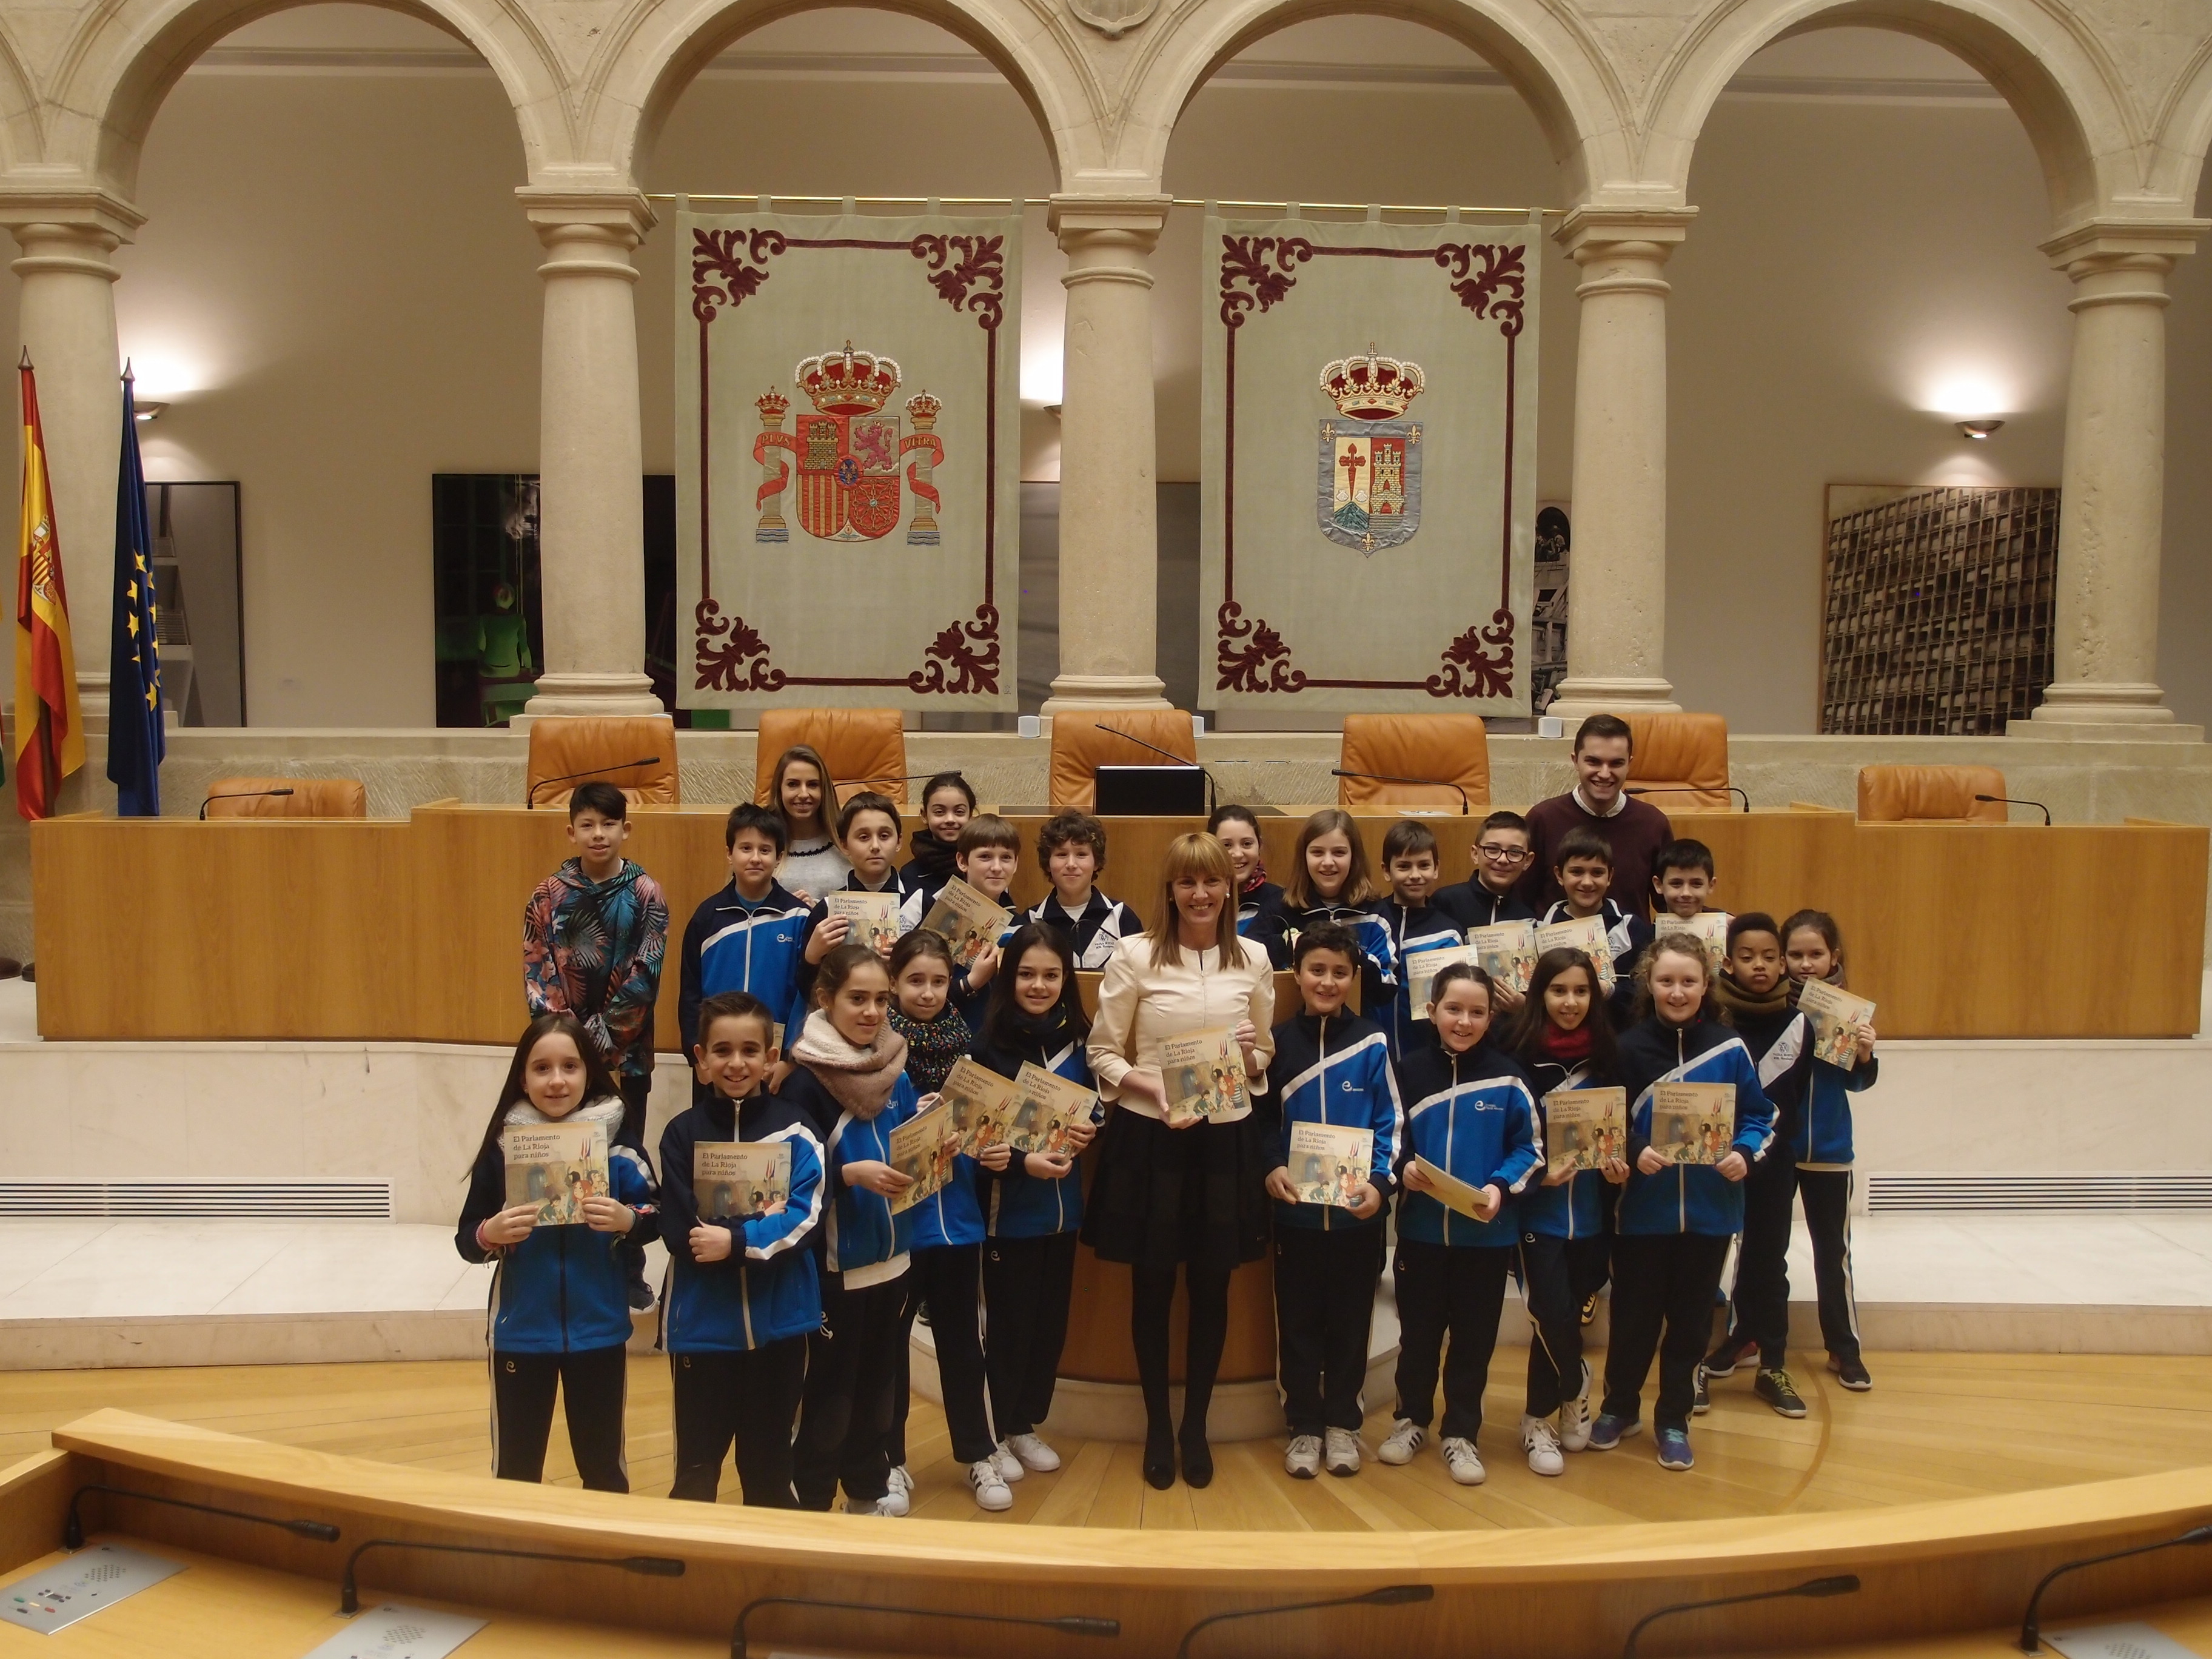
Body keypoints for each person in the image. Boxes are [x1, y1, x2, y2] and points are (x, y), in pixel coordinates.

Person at [1084, 832, 1275, 1490]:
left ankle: (1196, 1427)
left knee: (1213, 1286)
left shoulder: (1254, 956)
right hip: (1151, 1136)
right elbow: (1103, 1053)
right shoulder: (1134, 954)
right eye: (1187, 882)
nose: (1200, 894)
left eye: (1212, 881)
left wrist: (1249, 1055)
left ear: (1229, 887)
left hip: (1225, 1140)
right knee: (1153, 1285)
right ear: (1169, 889)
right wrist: (1157, 1089)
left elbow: (1263, 1057)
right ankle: (1158, 1429)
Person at [1590, 934, 1777, 1472]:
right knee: (1634, 1321)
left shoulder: (1729, 1047)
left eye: (1688, 981)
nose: (1677, 991)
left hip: (1711, 1214)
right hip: (1641, 1214)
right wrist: (1634, 1150)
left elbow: (1760, 1116)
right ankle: (1619, 1408)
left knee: (1692, 1325)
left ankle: (1674, 1419)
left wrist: (1744, 1153)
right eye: (1667, 981)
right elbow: (1606, 1120)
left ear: (1706, 985)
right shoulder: (1626, 1049)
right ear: (1648, 984)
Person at [457, 1014, 657, 1492]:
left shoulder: (618, 1147)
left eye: (570, 1066)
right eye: (542, 1068)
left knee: (604, 1471)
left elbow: (659, 1215)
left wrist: (628, 1219)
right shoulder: (504, 1147)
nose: (557, 1080)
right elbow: (467, 1238)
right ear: (522, 1078)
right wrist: (491, 1232)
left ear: (589, 1073)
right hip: (521, 1333)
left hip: (599, 1330)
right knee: (516, 1473)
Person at [660, 992, 823, 1506]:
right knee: (695, 1473)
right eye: (722, 1050)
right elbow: (681, 1230)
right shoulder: (681, 1135)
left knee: (770, 1471)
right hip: (702, 1330)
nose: (737, 1063)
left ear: (771, 1058)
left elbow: (805, 1220)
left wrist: (734, 1240)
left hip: (780, 1327)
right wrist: (762, 1223)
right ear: (701, 1059)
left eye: (750, 1050)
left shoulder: (799, 1131)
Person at [1381, 962, 1540, 1485]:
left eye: (1477, 1012)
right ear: (1432, 1011)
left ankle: (1462, 1433)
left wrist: (1500, 1186)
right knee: (1419, 1337)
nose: (1464, 1022)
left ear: (1492, 1016)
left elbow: (1531, 1148)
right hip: (1421, 1234)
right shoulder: (1407, 1071)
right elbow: (1390, 1137)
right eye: (1453, 1009)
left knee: (1473, 1342)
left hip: (1486, 1239)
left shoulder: (1510, 1076)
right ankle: (1411, 1421)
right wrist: (1404, 1166)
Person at [780, 942, 922, 1515]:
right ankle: (813, 1501)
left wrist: (933, 1139)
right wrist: (847, 1174)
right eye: (857, 999)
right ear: (825, 999)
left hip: (895, 1260)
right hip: (837, 1270)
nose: (872, 1012)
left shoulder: (896, 1067)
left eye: (882, 1000)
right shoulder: (803, 1084)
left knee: (878, 1392)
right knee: (831, 1396)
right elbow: (788, 1184)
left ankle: (866, 1494)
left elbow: (907, 1145)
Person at [1263, 923, 1404, 1480]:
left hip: (1357, 1219)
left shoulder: (1373, 1041)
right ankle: (1303, 1425)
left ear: (1354, 978)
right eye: (1317, 970)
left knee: (1351, 1323)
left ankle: (1343, 1421)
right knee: (1297, 1323)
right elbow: (1261, 1122)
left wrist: (1380, 1184)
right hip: (1295, 1216)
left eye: (1340, 973)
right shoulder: (1277, 1043)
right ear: (1297, 975)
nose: (1327, 982)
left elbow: (1392, 1122)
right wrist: (1272, 1165)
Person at [521, 779, 666, 1309]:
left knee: (625, 1165)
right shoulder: (547, 894)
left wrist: (598, 1046)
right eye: (588, 825)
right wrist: (570, 1049)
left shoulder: (646, 893)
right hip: (563, 1063)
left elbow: (646, 974)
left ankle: (629, 1271)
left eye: (609, 824)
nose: (598, 834)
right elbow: (537, 970)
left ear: (626, 828)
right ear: (572, 831)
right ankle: (566, 1267)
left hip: (626, 1060)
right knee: (566, 1164)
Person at [879, 927, 1008, 1513]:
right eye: (915, 981)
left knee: (961, 1342)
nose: (928, 993)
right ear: (893, 984)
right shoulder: (878, 1053)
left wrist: (989, 1146)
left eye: (937, 981)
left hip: (957, 1219)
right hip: (899, 1225)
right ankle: (890, 1462)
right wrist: (914, 1117)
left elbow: (991, 1134)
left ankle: (979, 1453)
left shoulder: (970, 1051)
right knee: (890, 1346)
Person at [971, 922, 1099, 1478]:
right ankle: (994, 1432)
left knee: (1048, 1329)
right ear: (1009, 978)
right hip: (1009, 1216)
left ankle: (1023, 1424)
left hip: (1063, 1214)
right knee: (1010, 1329)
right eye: (1027, 974)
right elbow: (972, 1139)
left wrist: (1092, 1125)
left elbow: (1094, 1107)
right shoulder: (987, 1047)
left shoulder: (1081, 1039)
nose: (1039, 986)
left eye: (1051, 975)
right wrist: (1023, 1161)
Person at [1508, 947, 1629, 1468]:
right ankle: (1571, 1385)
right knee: (1548, 1311)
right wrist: (1539, 1177)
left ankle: (1542, 1413)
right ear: (1540, 994)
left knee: (1565, 1318)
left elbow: (1627, 1130)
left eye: (1581, 991)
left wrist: (1620, 1167)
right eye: (1559, 990)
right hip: (1538, 1214)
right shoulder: (1516, 1057)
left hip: (1595, 1217)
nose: (1570, 1002)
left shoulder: (1611, 1058)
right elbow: (1506, 1138)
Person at [1701, 913, 1813, 1417]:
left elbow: (1800, 1094)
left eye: (1770, 957)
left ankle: (1772, 1364)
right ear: (1728, 963)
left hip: (1775, 1162)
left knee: (1769, 1262)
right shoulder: (1712, 1021)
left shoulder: (1801, 1021)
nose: (1760, 966)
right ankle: (1690, 1367)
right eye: (1747, 957)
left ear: (1784, 962)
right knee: (1704, 1263)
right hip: (1714, 1163)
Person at [1783, 908, 1877, 1392]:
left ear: (1833, 957)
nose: (1806, 964)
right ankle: (1748, 1335)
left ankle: (1845, 1348)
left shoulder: (1849, 1012)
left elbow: (1857, 1084)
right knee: (1759, 1249)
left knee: (1832, 1253)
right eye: (1796, 955)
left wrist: (1864, 1055)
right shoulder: (1769, 1008)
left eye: (1815, 954)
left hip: (1830, 1150)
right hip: (1776, 1150)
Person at [678, 803, 810, 1063]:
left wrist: (789, 1057)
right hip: (715, 1055)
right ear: (730, 853)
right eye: (746, 848)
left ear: (780, 857)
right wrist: (696, 1055)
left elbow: (804, 996)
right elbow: (690, 992)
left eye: (765, 850)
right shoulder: (707, 916)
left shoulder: (798, 917)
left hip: (775, 1055)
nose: (755, 858)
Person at [1523, 714, 1674, 919]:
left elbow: (1672, 901)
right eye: (1594, 762)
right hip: (1557, 938)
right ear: (1575, 761)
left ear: (1629, 764)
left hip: (1632, 939)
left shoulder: (1653, 824)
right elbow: (1521, 901)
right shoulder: (1542, 819)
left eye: (1616, 764)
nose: (1604, 773)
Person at [1278, 808, 1397, 1016]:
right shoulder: (1281, 908)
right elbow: (1252, 960)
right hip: (1293, 1025)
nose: (1328, 862)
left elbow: (1387, 989)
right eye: (1317, 852)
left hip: (1357, 1028)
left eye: (1339, 853)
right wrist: (1292, 944)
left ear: (1354, 857)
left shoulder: (1375, 914)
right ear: (1303, 857)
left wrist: (1354, 956)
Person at [902, 813, 1022, 1014]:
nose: (997, 867)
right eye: (985, 857)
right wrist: (971, 983)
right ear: (962, 861)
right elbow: (913, 991)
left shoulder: (1021, 927)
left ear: (1016, 864)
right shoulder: (931, 911)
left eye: (1006, 858)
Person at [796, 791, 908, 1005]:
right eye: (863, 837)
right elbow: (806, 992)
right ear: (844, 845)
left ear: (899, 841)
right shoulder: (827, 910)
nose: (875, 846)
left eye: (884, 836)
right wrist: (812, 957)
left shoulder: (920, 901)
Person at [1370, 819, 1468, 1059]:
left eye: (1424, 865)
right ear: (1386, 871)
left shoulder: (1449, 933)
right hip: (1374, 1051)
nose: (1415, 875)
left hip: (1426, 1056)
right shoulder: (1371, 921)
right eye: (1404, 866)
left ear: (1436, 869)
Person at [1540, 827, 1652, 1024]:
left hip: (1618, 1032)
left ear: (1610, 876)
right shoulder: (1541, 929)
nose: (1587, 882)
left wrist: (1610, 991)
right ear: (1559, 875)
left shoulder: (1631, 927)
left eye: (1597, 873)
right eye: (1577, 872)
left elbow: (1646, 991)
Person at [1025, 809, 1144, 970]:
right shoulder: (1031, 920)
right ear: (1048, 864)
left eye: (1081, 854)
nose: (1071, 864)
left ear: (1097, 863)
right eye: (1062, 855)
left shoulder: (1121, 917)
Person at [766, 745, 850, 903]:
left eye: (813, 785)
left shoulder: (848, 843)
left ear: (824, 790)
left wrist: (818, 911)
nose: (804, 794)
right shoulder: (761, 845)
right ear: (779, 789)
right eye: (793, 784)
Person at [1208, 803, 1289, 965]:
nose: (1238, 854)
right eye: (1227, 845)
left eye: (1247, 844)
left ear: (1260, 845)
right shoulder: (1200, 899)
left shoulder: (1281, 901)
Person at [1436, 809, 1541, 925]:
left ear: (1527, 861)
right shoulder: (1445, 903)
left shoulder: (1528, 916)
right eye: (1493, 849)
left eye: (1515, 852)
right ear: (1475, 854)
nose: (1503, 860)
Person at [904, 772, 979, 913]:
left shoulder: (984, 868)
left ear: (970, 815)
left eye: (959, 812)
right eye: (939, 812)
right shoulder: (910, 875)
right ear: (925, 815)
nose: (950, 819)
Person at [1653, 839, 1722, 923]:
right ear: (1659, 885)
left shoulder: (1727, 929)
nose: (1686, 893)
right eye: (1676, 884)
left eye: (1697, 884)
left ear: (1711, 885)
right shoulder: (1646, 932)